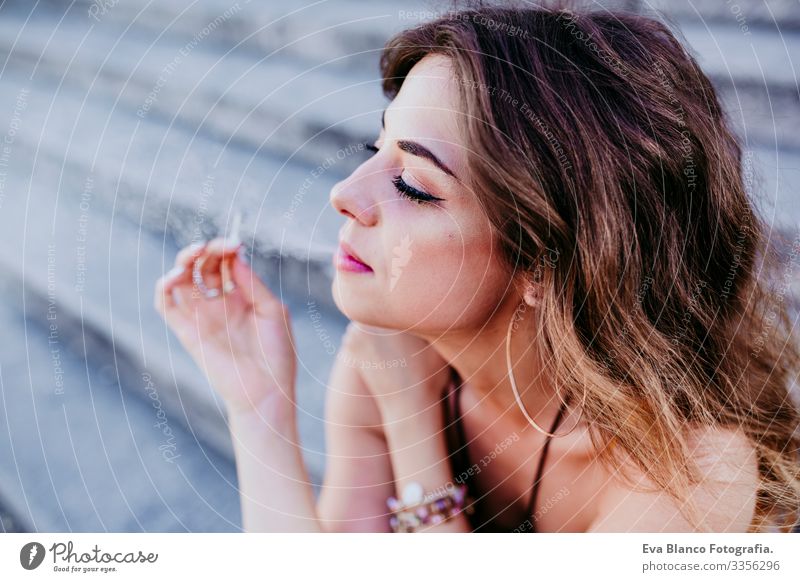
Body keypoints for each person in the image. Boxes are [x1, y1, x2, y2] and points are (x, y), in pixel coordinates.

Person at [154, 3, 800, 532]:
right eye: (376, 148)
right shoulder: (388, 356)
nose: (345, 192)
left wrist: (412, 433)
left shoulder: (692, 472)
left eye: (413, 184)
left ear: (548, 263)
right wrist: (259, 406)